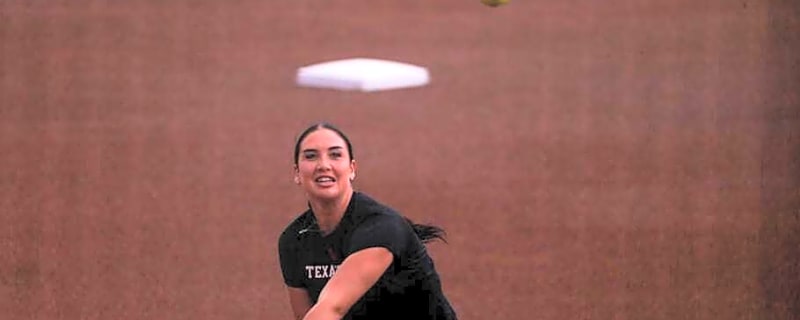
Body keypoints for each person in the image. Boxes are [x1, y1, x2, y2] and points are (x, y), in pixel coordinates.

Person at [278, 122, 458, 320]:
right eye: (311, 156)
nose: (323, 165)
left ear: (352, 169)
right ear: (297, 173)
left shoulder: (381, 228)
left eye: (335, 155)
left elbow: (332, 308)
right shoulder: (294, 240)